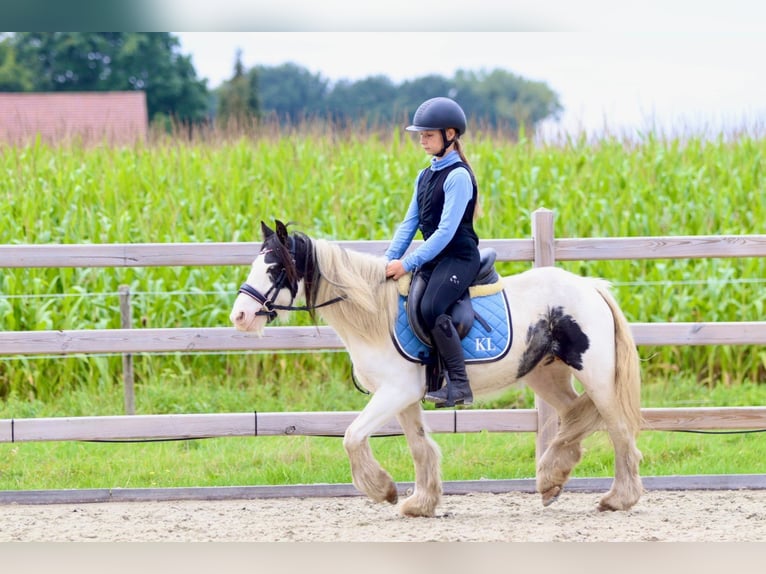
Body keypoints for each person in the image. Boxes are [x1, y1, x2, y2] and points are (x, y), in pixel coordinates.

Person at [385, 96, 481, 408]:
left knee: (431, 307)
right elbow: (409, 223)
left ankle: (459, 385)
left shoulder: (458, 176)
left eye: (428, 135)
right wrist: (387, 261)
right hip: (436, 258)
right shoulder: (425, 175)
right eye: (421, 135)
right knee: (413, 304)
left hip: (459, 257)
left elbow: (445, 233)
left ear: (450, 135)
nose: (422, 141)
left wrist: (408, 262)